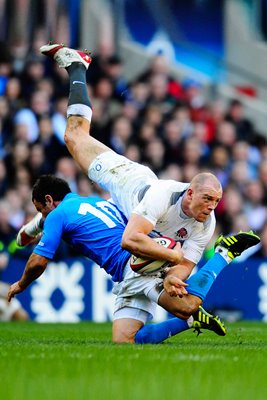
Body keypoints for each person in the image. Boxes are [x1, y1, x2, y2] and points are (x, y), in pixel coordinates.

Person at [37, 43, 261, 340]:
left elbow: (184, 265)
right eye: (207, 199)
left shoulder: (206, 224)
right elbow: (131, 240)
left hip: (138, 244)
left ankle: (219, 259)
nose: (212, 207)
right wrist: (171, 256)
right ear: (190, 194)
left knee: (142, 331)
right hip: (127, 181)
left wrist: (172, 279)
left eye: (217, 202)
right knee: (74, 136)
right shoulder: (163, 195)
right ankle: (78, 66)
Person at [8, 175, 260, 343]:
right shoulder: (95, 202)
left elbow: (39, 262)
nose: (43, 215)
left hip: (135, 264)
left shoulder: (56, 215)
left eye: (40, 209)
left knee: (186, 304)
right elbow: (43, 219)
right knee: (125, 340)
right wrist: (30, 230)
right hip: (132, 265)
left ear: (49, 201)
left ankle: (222, 255)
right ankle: (193, 321)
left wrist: (20, 284)